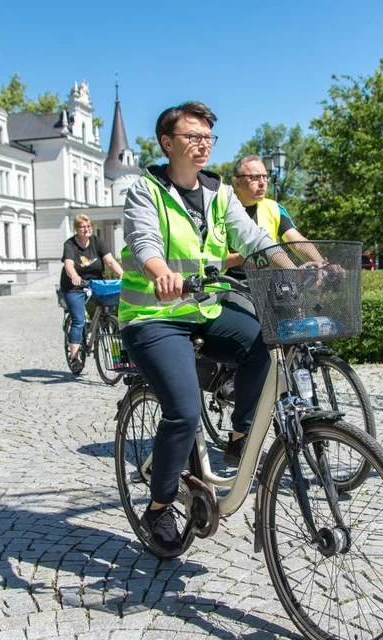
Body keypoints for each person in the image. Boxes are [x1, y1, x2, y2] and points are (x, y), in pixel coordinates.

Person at [119, 101, 282, 557]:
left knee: (262, 342)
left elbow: (255, 239)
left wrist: (295, 267)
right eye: (192, 136)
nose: (203, 143)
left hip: (202, 311)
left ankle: (238, 436)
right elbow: (144, 240)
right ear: (167, 143)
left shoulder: (219, 193)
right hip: (153, 316)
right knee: (184, 412)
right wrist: (159, 272)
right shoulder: (145, 191)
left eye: (208, 136)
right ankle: (158, 506)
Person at [60, 214, 125, 371]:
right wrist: (74, 276)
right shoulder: (70, 245)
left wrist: (122, 275)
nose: (86, 229)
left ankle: (104, 326)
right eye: (82, 227)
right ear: (76, 229)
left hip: (96, 284)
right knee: (78, 320)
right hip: (74, 287)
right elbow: (69, 265)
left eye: (88, 226)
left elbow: (110, 261)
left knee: (110, 312)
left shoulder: (97, 242)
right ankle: (75, 357)